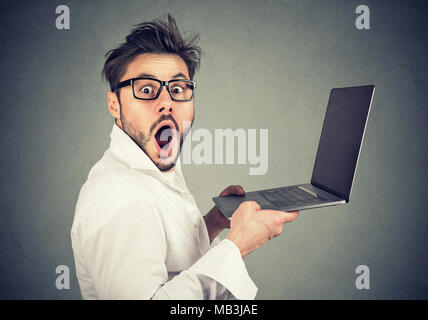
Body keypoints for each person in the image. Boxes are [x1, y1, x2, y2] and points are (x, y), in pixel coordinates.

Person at [71, 14, 299, 300]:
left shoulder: (152, 164)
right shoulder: (117, 196)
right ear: (114, 104)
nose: (166, 102)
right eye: (146, 90)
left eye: (178, 89)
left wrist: (212, 224)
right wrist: (237, 245)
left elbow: (164, 258)